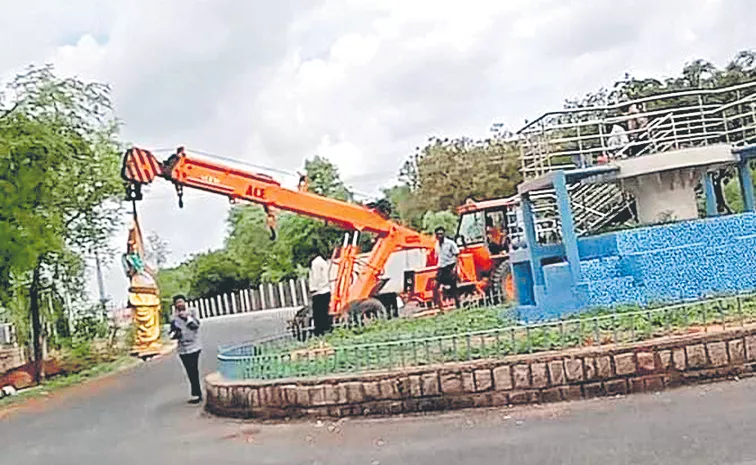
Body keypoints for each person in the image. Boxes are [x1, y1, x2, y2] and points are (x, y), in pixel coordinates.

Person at [169, 295, 202, 404]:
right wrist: (174, 334)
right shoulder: (173, 317)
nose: (180, 304)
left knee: (194, 370)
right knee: (189, 371)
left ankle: (197, 394)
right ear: (175, 305)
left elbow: (196, 326)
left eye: (181, 302)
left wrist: (187, 318)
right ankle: (197, 393)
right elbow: (172, 332)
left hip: (194, 346)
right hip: (182, 349)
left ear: (185, 302)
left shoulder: (192, 312)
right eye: (177, 303)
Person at [433, 226, 461, 309]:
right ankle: (440, 307)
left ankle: (458, 305)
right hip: (442, 267)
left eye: (441, 234)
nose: (440, 236)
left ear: (444, 234)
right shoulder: (436, 245)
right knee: (435, 286)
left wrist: (455, 268)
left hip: (450, 266)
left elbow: (457, 255)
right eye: (438, 234)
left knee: (453, 288)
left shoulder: (450, 243)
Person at [309, 253, 332, 336]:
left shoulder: (315, 263)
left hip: (319, 291)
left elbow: (316, 277)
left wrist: (313, 288)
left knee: (318, 315)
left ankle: (319, 333)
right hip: (326, 290)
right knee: (324, 313)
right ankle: (327, 331)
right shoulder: (324, 262)